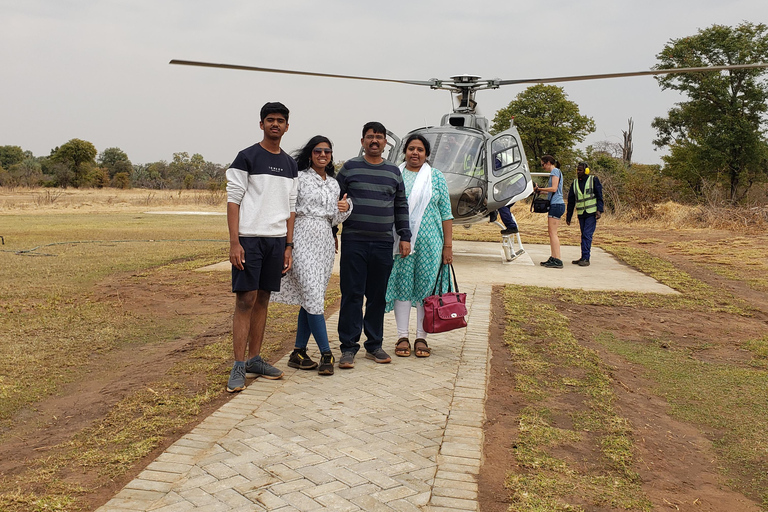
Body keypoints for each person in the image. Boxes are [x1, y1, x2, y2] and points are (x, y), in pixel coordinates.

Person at [225, 101, 298, 393]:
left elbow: (291, 208)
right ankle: (239, 365)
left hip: (276, 240)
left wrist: (288, 245)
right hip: (249, 238)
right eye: (270, 120)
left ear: (287, 127)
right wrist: (235, 242)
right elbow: (233, 201)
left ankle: (255, 359)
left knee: (264, 298)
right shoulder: (247, 157)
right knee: (245, 300)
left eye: (280, 120)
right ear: (261, 124)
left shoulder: (291, 164)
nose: (275, 124)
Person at [271, 136, 352, 375]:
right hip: (302, 237)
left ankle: (298, 352)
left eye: (327, 151)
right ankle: (326, 353)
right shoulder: (300, 178)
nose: (323, 155)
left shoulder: (335, 184)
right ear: (310, 154)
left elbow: (334, 218)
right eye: (318, 151)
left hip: (325, 241)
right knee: (313, 296)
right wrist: (288, 243)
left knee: (312, 297)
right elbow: (290, 210)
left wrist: (346, 209)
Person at [336, 122, 411, 369]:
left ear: (385, 143)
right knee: (352, 294)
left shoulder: (393, 172)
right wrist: (332, 232)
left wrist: (405, 236)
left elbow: (401, 205)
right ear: (362, 141)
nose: (375, 141)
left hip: (382, 243)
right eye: (370, 137)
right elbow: (336, 202)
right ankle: (348, 348)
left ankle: (374, 346)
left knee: (377, 296)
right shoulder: (349, 168)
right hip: (354, 241)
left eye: (379, 137)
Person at [385, 134, 453, 358]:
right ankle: (402, 336)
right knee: (403, 284)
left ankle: (421, 337)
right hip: (401, 242)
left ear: (427, 154)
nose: (415, 153)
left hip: (431, 243)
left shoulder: (436, 177)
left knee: (426, 288)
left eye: (420, 150)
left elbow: (446, 213)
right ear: (405, 151)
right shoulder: (396, 174)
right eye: (411, 149)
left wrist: (448, 247)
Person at [566, 162, 604, 266]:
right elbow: (571, 201)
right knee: (583, 235)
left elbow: (599, 196)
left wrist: (599, 210)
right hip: (581, 213)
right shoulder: (574, 183)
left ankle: (586, 258)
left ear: (586, 170)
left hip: (591, 213)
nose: (578, 172)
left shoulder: (593, 180)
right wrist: (568, 216)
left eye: (580, 170)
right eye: (577, 170)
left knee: (587, 235)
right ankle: (583, 257)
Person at [533, 155, 565, 269]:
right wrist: (541, 192)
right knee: (551, 233)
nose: (543, 167)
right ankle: (554, 257)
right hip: (556, 203)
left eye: (543, 164)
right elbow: (553, 192)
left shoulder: (555, 172)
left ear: (548, 163)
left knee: (553, 233)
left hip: (556, 205)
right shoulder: (556, 172)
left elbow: (554, 189)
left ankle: (557, 259)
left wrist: (541, 189)